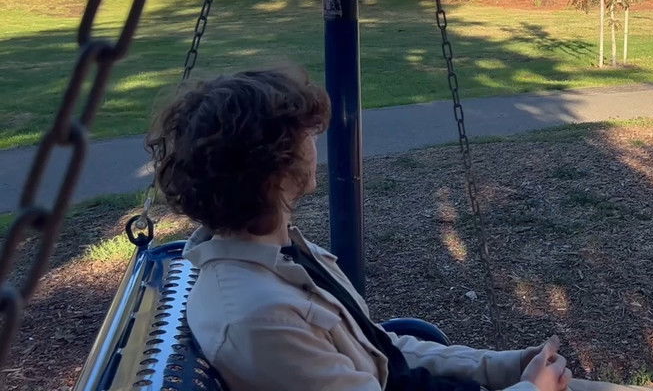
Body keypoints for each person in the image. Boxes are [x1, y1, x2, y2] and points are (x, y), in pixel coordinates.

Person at [146, 69, 576, 391]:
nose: (315, 144)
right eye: (304, 136)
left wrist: (504, 366)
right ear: (273, 170)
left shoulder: (281, 255)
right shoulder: (258, 317)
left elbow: (380, 349)